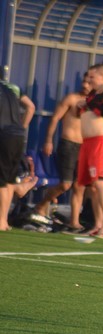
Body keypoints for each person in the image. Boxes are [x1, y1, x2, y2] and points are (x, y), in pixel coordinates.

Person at [33, 72, 91, 231]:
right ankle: (42, 204)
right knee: (65, 184)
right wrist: (48, 140)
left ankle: (75, 221)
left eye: (89, 82)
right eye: (84, 81)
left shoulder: (94, 105)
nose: (85, 85)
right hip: (68, 144)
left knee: (80, 186)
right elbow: (55, 119)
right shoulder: (71, 98)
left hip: (84, 147)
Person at [76, 64, 103, 239]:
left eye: (92, 77)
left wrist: (88, 101)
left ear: (102, 78)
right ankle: (98, 223)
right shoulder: (92, 96)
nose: (89, 80)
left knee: (100, 182)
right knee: (91, 186)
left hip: (99, 142)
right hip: (87, 143)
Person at [0, 76, 37, 231]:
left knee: (1, 180)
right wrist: (22, 126)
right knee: (8, 180)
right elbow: (31, 107)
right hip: (17, 135)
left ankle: (1, 221)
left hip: (3, 134)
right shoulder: (12, 88)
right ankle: (4, 221)